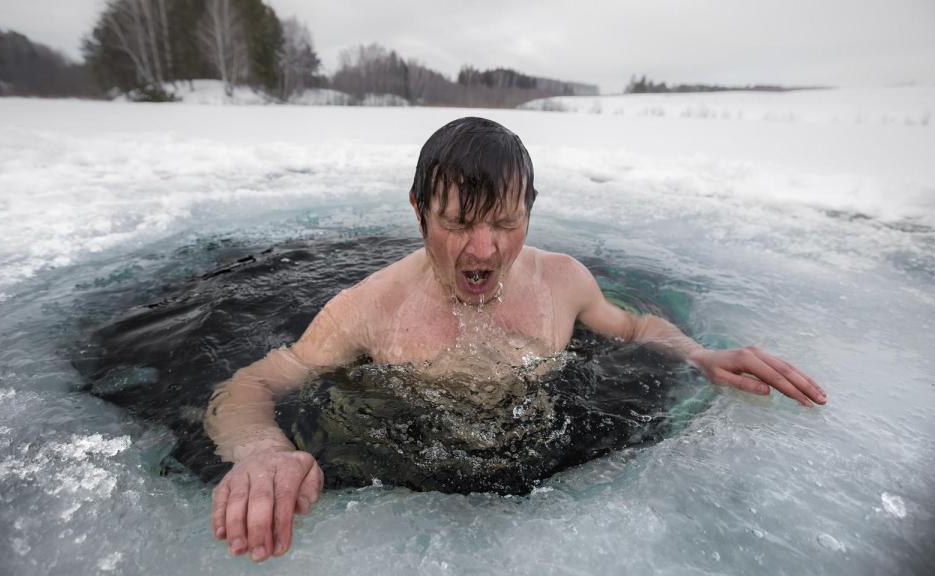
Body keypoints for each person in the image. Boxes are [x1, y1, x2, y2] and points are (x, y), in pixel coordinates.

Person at [203, 117, 827, 562]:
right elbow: (253, 382)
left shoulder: (563, 281)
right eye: (457, 223)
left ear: (529, 209)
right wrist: (261, 451)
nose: (485, 249)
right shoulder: (367, 309)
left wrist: (699, 352)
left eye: (506, 222)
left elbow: (634, 326)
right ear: (419, 212)